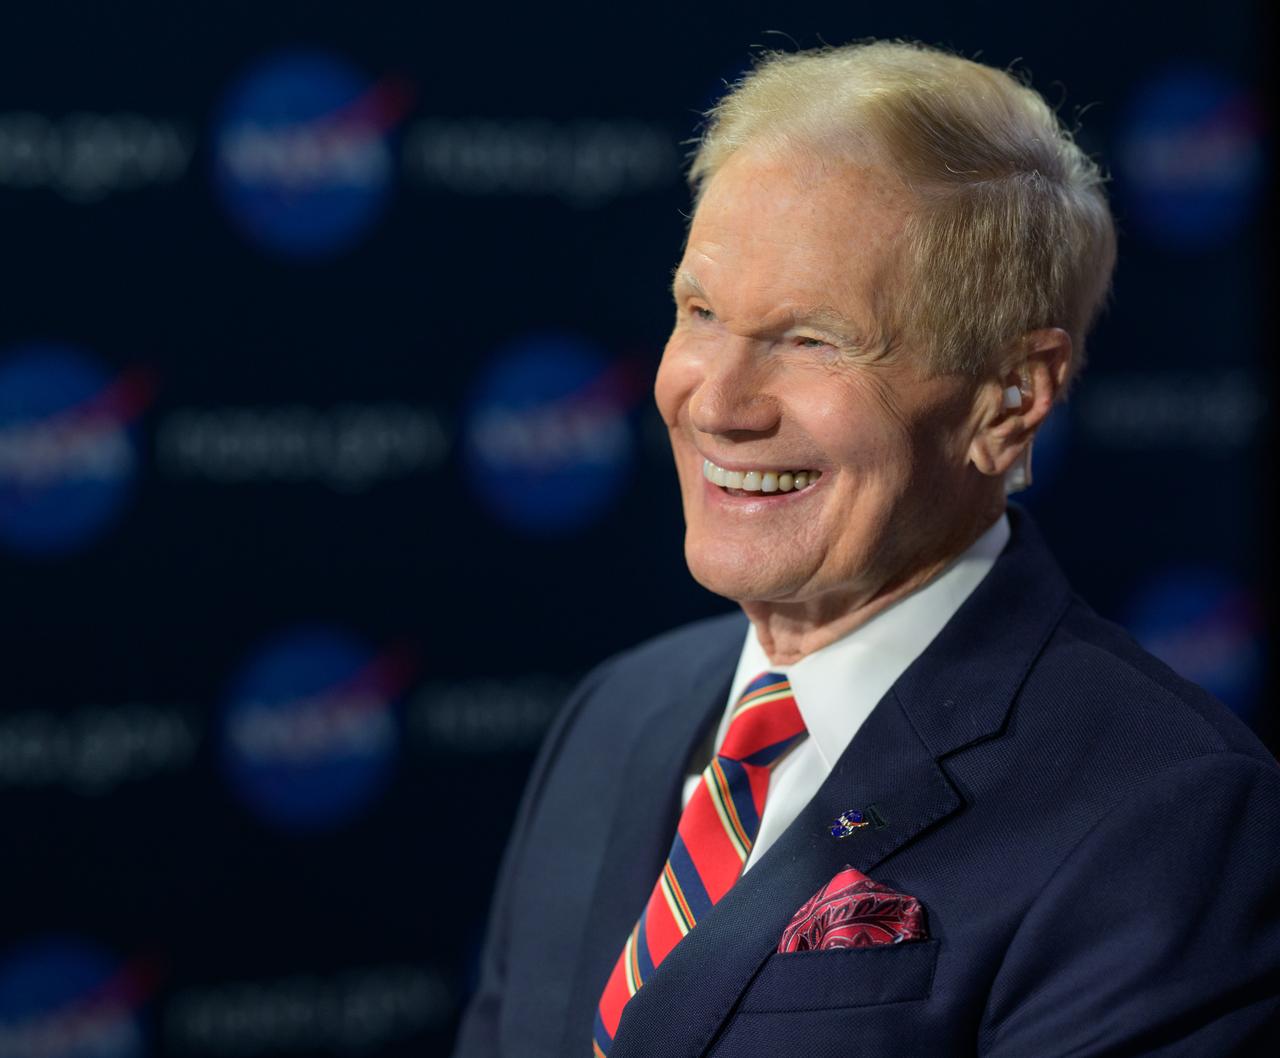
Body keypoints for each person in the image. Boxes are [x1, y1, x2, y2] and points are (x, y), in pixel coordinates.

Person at [451, 40, 1280, 1057]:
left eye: (812, 339)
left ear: (1010, 399)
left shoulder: (1169, 812)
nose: (715, 401)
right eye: (700, 312)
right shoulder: (616, 713)